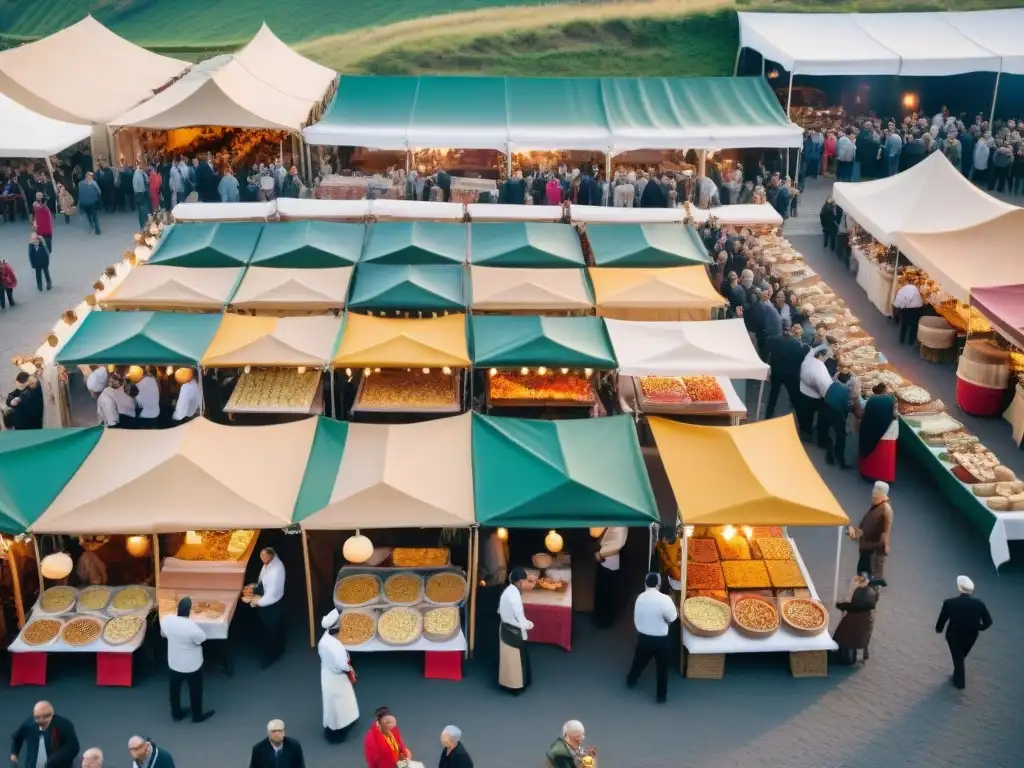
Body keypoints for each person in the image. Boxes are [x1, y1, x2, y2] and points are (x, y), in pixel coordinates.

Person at [626, 572, 677, 703]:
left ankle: (631, 681)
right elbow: (672, 618)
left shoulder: (640, 598)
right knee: (662, 669)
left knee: (638, 662)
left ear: (645, 583)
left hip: (644, 638)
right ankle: (661, 696)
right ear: (659, 585)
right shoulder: (666, 599)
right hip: (661, 640)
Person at [161, 596, 213, 723]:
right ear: (189, 611)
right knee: (195, 690)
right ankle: (197, 715)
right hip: (192, 665)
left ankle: (176, 714)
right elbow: (201, 639)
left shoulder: (167, 620)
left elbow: (165, 633)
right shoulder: (192, 627)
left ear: (178, 609)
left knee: (174, 690)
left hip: (174, 662)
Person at [936, 575, 993, 690]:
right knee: (961, 656)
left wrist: (939, 628)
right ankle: (957, 673)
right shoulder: (979, 604)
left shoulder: (949, 603)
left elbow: (943, 618)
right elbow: (988, 622)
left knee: (958, 658)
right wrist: (977, 627)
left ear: (959, 588)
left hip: (953, 636)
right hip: (971, 636)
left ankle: (959, 683)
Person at [318, 609, 359, 743]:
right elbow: (343, 665)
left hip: (327, 673)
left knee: (332, 702)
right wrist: (350, 669)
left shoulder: (324, 639)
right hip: (337, 677)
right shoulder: (335, 646)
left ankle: (338, 723)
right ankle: (338, 731)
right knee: (340, 704)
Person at [9, 701, 80, 768]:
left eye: (46, 716)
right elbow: (17, 738)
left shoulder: (64, 725)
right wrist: (14, 754)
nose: (41, 720)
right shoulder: (29, 724)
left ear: (53, 714)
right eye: (37, 717)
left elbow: (74, 747)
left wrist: (54, 760)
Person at [497, 566, 534, 694]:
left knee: (508, 658)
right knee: (516, 660)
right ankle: (516, 686)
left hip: (505, 627)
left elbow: (500, 611)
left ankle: (507, 683)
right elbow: (520, 618)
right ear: (519, 582)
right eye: (524, 581)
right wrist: (529, 625)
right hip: (513, 631)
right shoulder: (514, 596)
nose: (525, 583)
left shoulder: (509, 591)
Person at [848, 481, 893, 585]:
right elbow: (865, 525)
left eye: (877, 494)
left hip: (874, 546)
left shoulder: (886, 509)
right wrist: (855, 532)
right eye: (873, 495)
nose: (874, 496)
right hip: (866, 545)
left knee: (871, 572)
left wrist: (886, 544)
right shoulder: (874, 507)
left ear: (884, 495)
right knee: (862, 571)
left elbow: (887, 529)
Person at [248, 547, 286, 667]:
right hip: (267, 601)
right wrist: (255, 588)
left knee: (272, 630)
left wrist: (256, 602)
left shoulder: (276, 570)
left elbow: (271, 595)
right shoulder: (267, 565)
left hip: (272, 605)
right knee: (270, 629)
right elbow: (262, 581)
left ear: (271, 556)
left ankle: (272, 656)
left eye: (264, 556)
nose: (262, 559)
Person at [833, 572, 880, 665]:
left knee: (848, 637)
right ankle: (858, 655)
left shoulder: (861, 591)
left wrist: (839, 605)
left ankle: (847, 658)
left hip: (856, 618)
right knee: (860, 638)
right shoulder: (873, 590)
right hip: (867, 617)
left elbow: (854, 606)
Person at [765, 324, 806, 419]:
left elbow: (769, 352)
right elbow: (800, 359)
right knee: (794, 395)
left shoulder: (776, 340)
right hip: (790, 374)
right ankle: (800, 417)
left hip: (777, 372)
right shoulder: (795, 344)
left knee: (773, 394)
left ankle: (768, 415)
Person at [859, 383, 898, 482]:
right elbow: (894, 414)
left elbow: (865, 414)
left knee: (871, 451)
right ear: (884, 390)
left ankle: (868, 473)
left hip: (870, 430)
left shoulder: (871, 400)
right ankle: (885, 476)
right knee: (885, 454)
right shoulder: (891, 399)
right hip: (887, 431)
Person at [593, 526, 627, 629]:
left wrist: (601, 553)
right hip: (604, 561)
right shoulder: (613, 521)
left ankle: (605, 621)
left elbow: (618, 545)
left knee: (607, 593)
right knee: (601, 592)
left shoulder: (621, 525)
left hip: (610, 562)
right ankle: (599, 618)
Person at [798, 348, 831, 442]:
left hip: (804, 391)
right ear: (820, 356)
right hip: (816, 397)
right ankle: (820, 437)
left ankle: (805, 432)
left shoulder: (807, 359)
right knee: (822, 416)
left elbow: (813, 350)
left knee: (806, 415)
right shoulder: (819, 369)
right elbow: (823, 387)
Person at [823, 376, 851, 468]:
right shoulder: (846, 391)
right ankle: (840, 459)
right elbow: (846, 407)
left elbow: (826, 396)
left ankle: (829, 457)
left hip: (827, 409)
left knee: (828, 434)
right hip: (837, 414)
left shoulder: (833, 385)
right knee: (841, 437)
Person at [893, 281, 924, 345]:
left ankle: (902, 339)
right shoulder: (914, 288)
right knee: (914, 326)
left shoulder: (900, 294)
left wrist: (896, 318)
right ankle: (911, 341)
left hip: (908, 310)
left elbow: (896, 308)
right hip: (918, 308)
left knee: (904, 325)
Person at [133, 163, 150, 229]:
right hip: (140, 193)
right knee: (142, 210)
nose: (146, 168)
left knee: (144, 210)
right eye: (144, 166)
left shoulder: (142, 173)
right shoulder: (137, 174)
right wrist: (139, 193)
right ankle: (143, 225)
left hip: (144, 192)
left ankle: (145, 224)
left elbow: (147, 180)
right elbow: (136, 185)